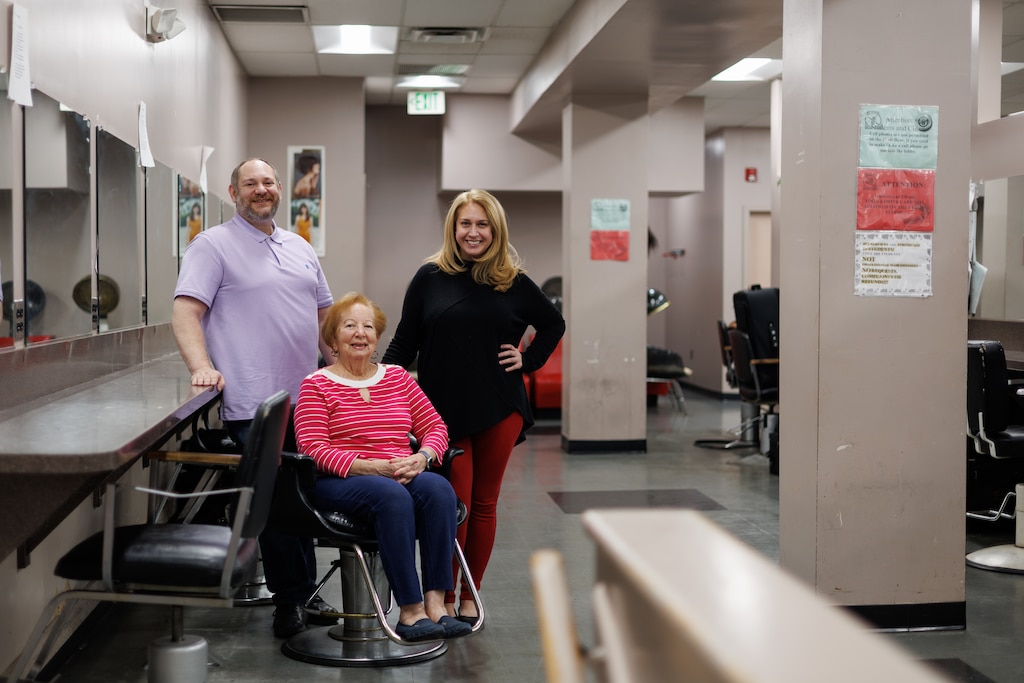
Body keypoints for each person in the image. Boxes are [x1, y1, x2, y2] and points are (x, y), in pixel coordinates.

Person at [171, 157, 337, 639]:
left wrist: (344, 366)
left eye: (267, 182)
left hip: (308, 399)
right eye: (250, 184)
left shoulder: (300, 246)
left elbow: (324, 314)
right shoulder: (212, 245)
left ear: (280, 188)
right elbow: (186, 313)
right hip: (253, 403)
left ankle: (302, 590)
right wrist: (201, 366)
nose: (260, 190)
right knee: (278, 504)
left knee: (301, 498)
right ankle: (290, 600)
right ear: (233, 191)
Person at [382, 188, 565, 624]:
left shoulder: (513, 281)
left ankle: (469, 594)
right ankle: (441, 594)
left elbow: (553, 323)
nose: (473, 232)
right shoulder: (429, 277)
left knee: (484, 503)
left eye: (482, 224)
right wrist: (376, 382)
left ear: (495, 230)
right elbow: (406, 340)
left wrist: (529, 360)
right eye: (466, 223)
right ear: (454, 228)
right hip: (443, 410)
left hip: (500, 405)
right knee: (452, 502)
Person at [294, 293, 472, 641]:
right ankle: (410, 610)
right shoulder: (316, 384)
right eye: (350, 326)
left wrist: (422, 458)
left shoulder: (398, 378)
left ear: (377, 337)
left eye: (368, 327)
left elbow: (436, 429)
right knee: (391, 496)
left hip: (398, 471)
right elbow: (312, 449)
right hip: (340, 479)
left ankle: (436, 605)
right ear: (332, 337)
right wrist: (372, 467)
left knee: (439, 490)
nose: (360, 333)